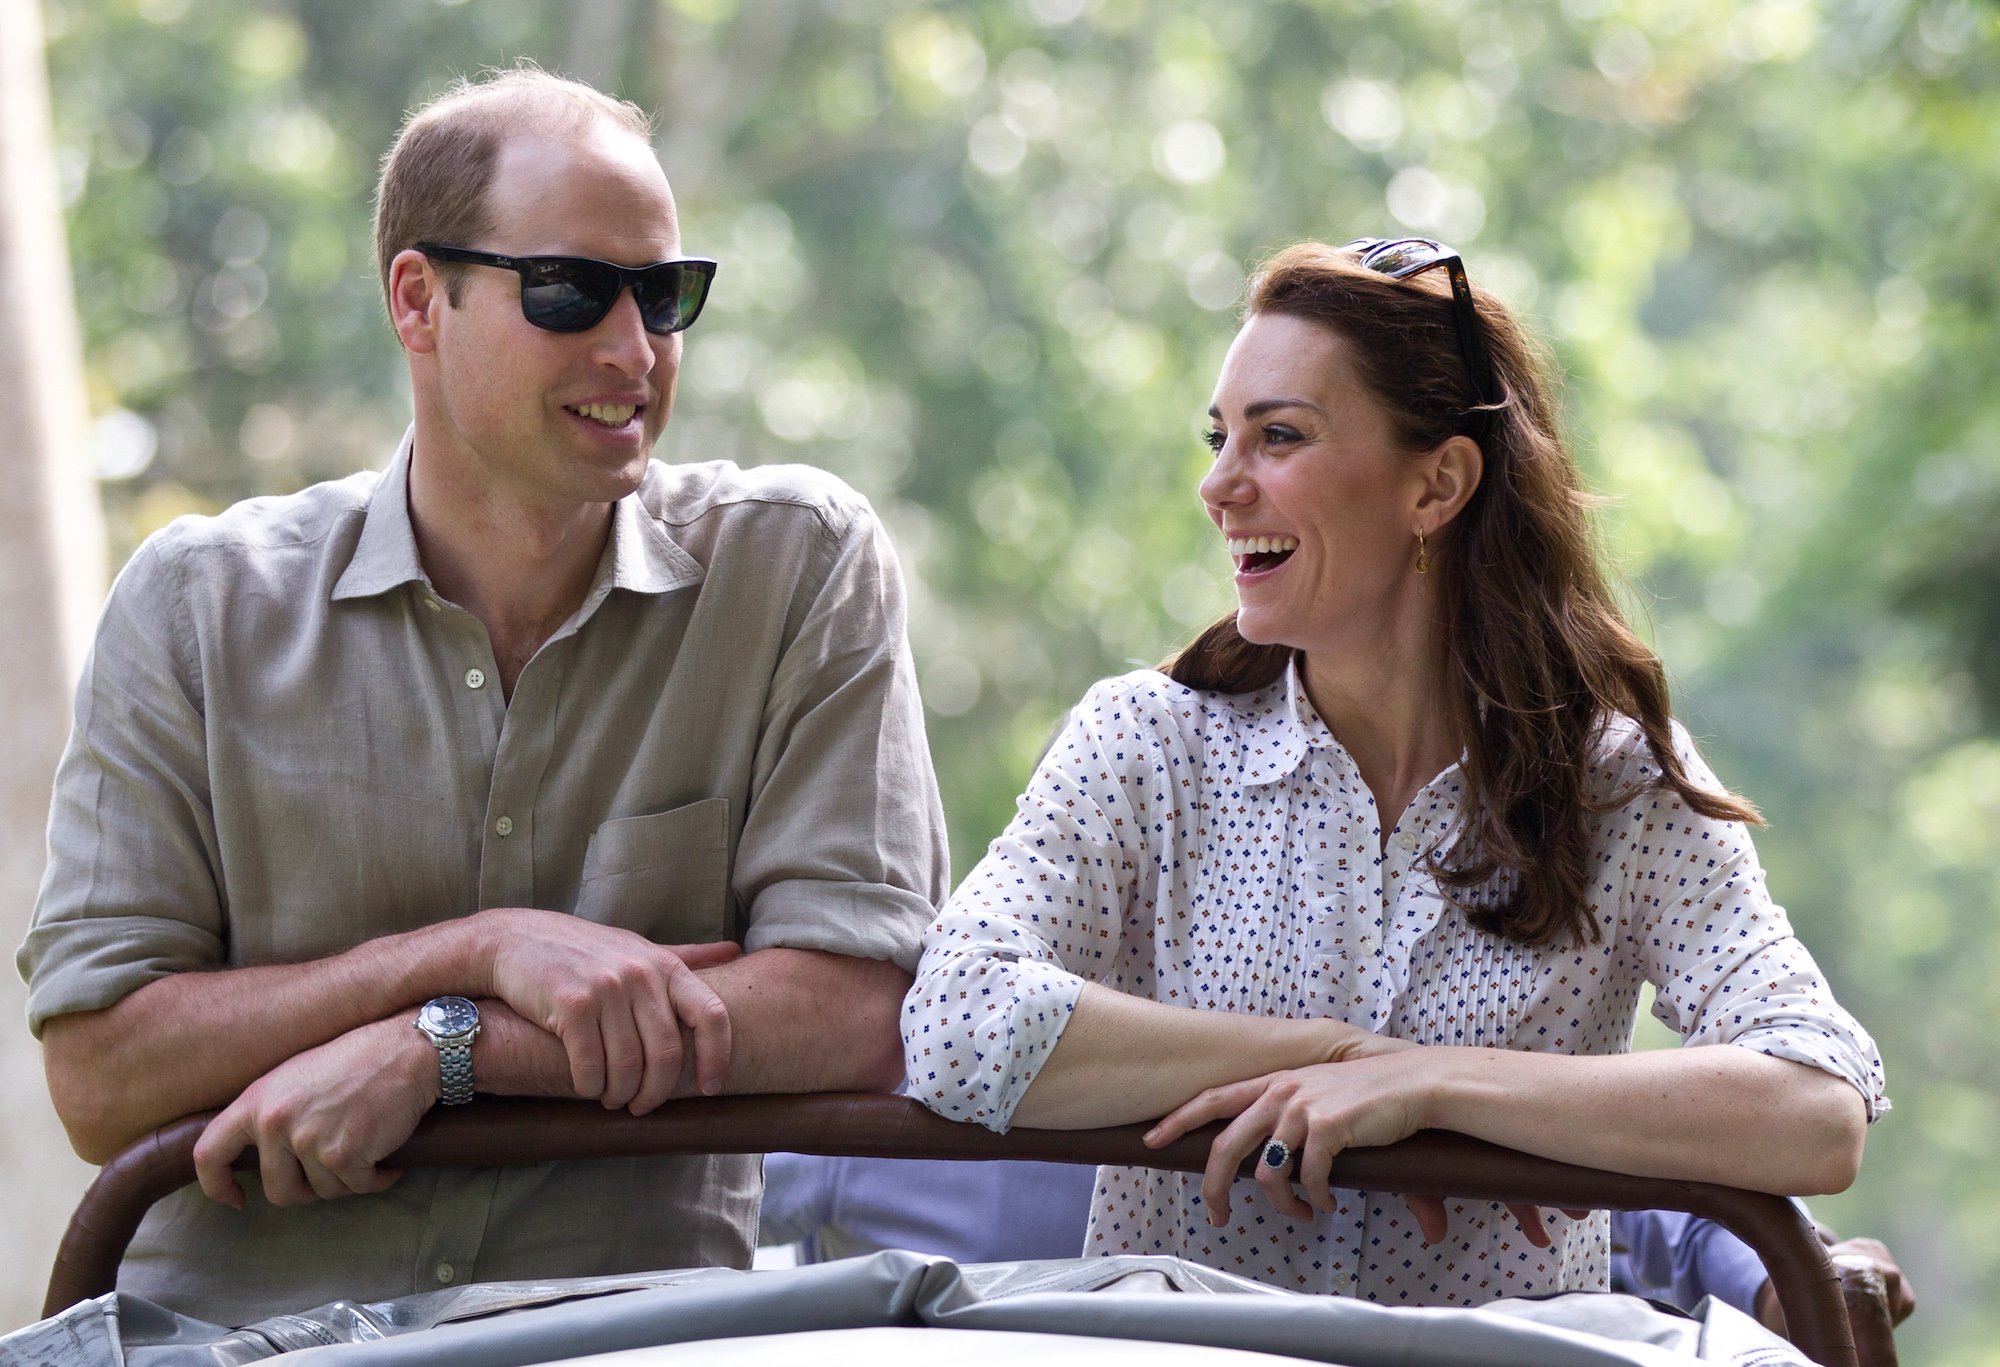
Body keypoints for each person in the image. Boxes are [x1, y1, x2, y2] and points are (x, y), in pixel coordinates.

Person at [18, 68, 947, 1326]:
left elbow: (857, 1007)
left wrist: (441, 1048)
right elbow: (101, 1071)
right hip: (240, 1346)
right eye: (569, 292)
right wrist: (470, 951)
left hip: (627, 1337)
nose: (633, 350)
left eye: (664, 295)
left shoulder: (797, 566)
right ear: (419, 299)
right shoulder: (196, 604)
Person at [901, 237, 1886, 1305]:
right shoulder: (1145, 743)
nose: (1218, 485)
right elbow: (956, 1019)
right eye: (1219, 436)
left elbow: (1816, 1104)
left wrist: (1433, 1082)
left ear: (1437, 484)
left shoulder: (1614, 780)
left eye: (1277, 436)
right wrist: (1335, 1056)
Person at [759, 1153, 1916, 1334]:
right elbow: (705, 1195)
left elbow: (1655, 1204)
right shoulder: (936, 1098)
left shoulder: (1382, 1036)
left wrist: (1781, 1277)